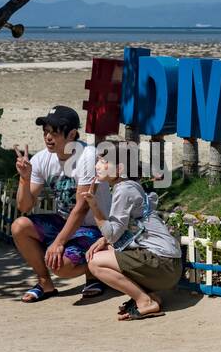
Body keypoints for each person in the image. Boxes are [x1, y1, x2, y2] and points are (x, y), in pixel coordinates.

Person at [11, 105, 112, 302]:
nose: (48, 137)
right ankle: (44, 283)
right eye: (46, 132)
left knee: (62, 268)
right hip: (64, 221)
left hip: (94, 227)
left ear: (72, 134)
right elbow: (24, 207)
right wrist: (24, 179)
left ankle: (96, 271)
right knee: (19, 226)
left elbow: (82, 208)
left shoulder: (87, 155)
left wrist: (59, 243)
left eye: (54, 132)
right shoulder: (41, 158)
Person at [82, 149, 183, 321]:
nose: (98, 165)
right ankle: (150, 295)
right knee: (102, 251)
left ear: (120, 169)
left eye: (104, 162)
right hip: (169, 266)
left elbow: (113, 235)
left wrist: (94, 206)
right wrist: (104, 239)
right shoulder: (130, 186)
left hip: (163, 265)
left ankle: (145, 301)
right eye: (98, 160)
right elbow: (123, 231)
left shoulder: (123, 190)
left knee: (94, 262)